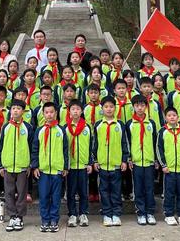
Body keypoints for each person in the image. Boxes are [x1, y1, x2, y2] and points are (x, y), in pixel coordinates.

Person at [31, 102, 69, 233]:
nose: (49, 115)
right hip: (43, 171)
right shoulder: (39, 130)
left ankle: (54, 220)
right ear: (43, 114)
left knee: (56, 197)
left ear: (56, 113)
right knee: (44, 196)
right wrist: (35, 166)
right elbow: (35, 149)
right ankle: (45, 220)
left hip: (57, 171)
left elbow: (65, 150)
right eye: (46, 112)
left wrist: (65, 167)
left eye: (52, 112)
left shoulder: (61, 130)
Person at [0, 99, 34, 232]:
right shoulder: (5, 126)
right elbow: (1, 146)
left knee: (22, 192)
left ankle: (20, 216)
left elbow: (32, 147)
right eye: (13, 108)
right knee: (9, 192)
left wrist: (30, 164)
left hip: (22, 166)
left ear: (23, 111)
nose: (15, 111)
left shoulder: (28, 127)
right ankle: (12, 216)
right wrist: (1, 165)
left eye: (18, 108)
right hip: (8, 166)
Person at [92, 96, 129, 227]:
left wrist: (124, 160)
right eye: (106, 107)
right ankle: (107, 214)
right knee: (104, 190)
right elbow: (94, 144)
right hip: (102, 165)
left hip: (116, 164)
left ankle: (116, 214)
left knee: (116, 190)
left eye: (111, 106)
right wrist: (95, 160)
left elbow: (125, 143)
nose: (109, 109)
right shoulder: (98, 125)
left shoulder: (120, 124)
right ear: (102, 109)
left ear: (115, 108)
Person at [156, 106, 180, 226]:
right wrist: (163, 165)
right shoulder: (162, 131)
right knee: (169, 193)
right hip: (169, 170)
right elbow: (159, 149)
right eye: (169, 115)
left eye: (174, 115)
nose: (172, 117)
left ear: (178, 117)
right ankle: (169, 214)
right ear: (166, 118)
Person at [126, 95, 157, 226]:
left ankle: (150, 212)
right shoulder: (129, 124)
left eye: (142, 105)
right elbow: (127, 142)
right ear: (133, 107)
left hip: (149, 161)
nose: (140, 108)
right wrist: (129, 158)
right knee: (138, 188)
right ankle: (141, 212)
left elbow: (155, 142)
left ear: (146, 106)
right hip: (137, 162)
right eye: (137, 105)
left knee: (149, 188)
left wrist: (156, 159)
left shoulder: (151, 123)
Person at [65, 100, 92, 228]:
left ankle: (83, 213)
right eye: (73, 109)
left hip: (83, 165)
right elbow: (63, 149)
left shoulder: (87, 128)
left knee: (83, 192)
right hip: (71, 166)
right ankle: (72, 214)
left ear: (82, 111)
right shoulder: (66, 128)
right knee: (70, 192)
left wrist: (90, 163)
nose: (75, 111)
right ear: (69, 112)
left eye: (77, 109)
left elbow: (91, 146)